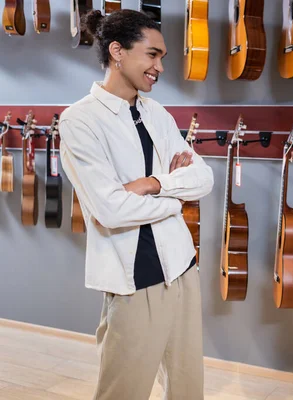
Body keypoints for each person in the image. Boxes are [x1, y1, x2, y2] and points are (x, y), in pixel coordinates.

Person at [58, 9, 214, 400]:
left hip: (182, 267)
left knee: (187, 388)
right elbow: (110, 209)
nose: (160, 66)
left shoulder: (156, 114)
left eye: (162, 57)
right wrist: (176, 199)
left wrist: (151, 184)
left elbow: (204, 178)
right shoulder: (80, 121)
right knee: (122, 392)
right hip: (133, 282)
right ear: (117, 52)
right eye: (152, 54)